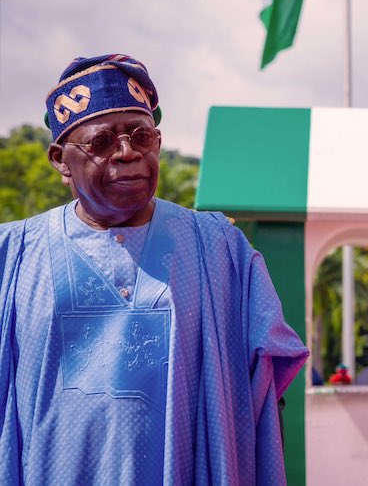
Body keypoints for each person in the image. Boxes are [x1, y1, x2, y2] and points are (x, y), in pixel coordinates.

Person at [0, 54, 308, 484]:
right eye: (101, 142)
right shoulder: (11, 255)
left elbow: (265, 388)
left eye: (141, 136)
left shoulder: (219, 248)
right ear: (60, 160)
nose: (127, 153)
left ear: (158, 144)